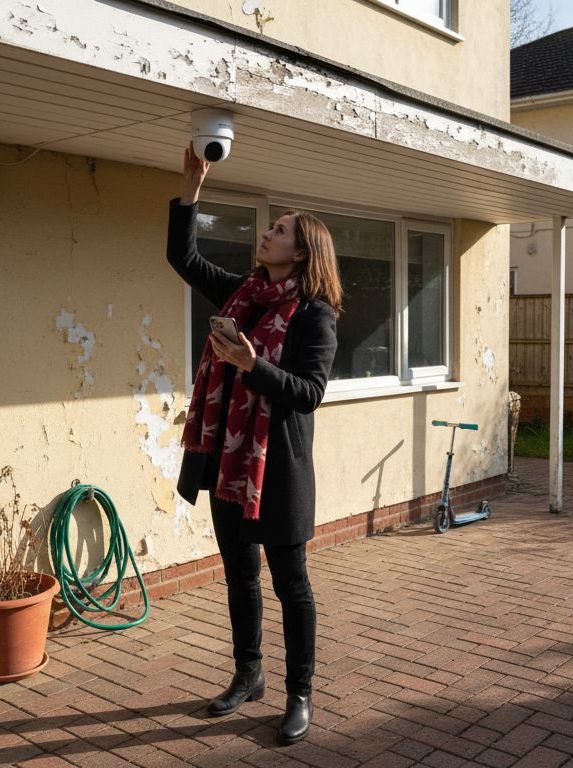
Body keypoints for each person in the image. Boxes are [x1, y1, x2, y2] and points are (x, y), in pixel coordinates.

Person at [166, 143, 342, 745]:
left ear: (302, 250)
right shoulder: (242, 293)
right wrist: (191, 190)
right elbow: (182, 257)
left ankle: (299, 693)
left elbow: (310, 391)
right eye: (270, 228)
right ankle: (249, 673)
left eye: (279, 230)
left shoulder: (315, 315)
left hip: (278, 471)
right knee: (239, 574)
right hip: (228, 463)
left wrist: (250, 364)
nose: (266, 234)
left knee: (290, 582)